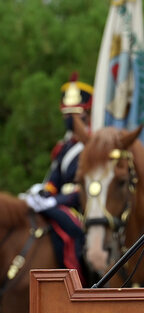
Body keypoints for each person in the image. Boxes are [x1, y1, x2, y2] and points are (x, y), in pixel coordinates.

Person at [22, 73, 92, 286]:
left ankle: (84, 280)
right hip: (60, 202)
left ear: (86, 113)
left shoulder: (92, 145)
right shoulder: (65, 146)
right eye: (66, 113)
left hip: (83, 206)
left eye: (74, 113)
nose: (68, 118)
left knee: (73, 228)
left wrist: (56, 202)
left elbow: (87, 187)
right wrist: (45, 192)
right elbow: (55, 179)